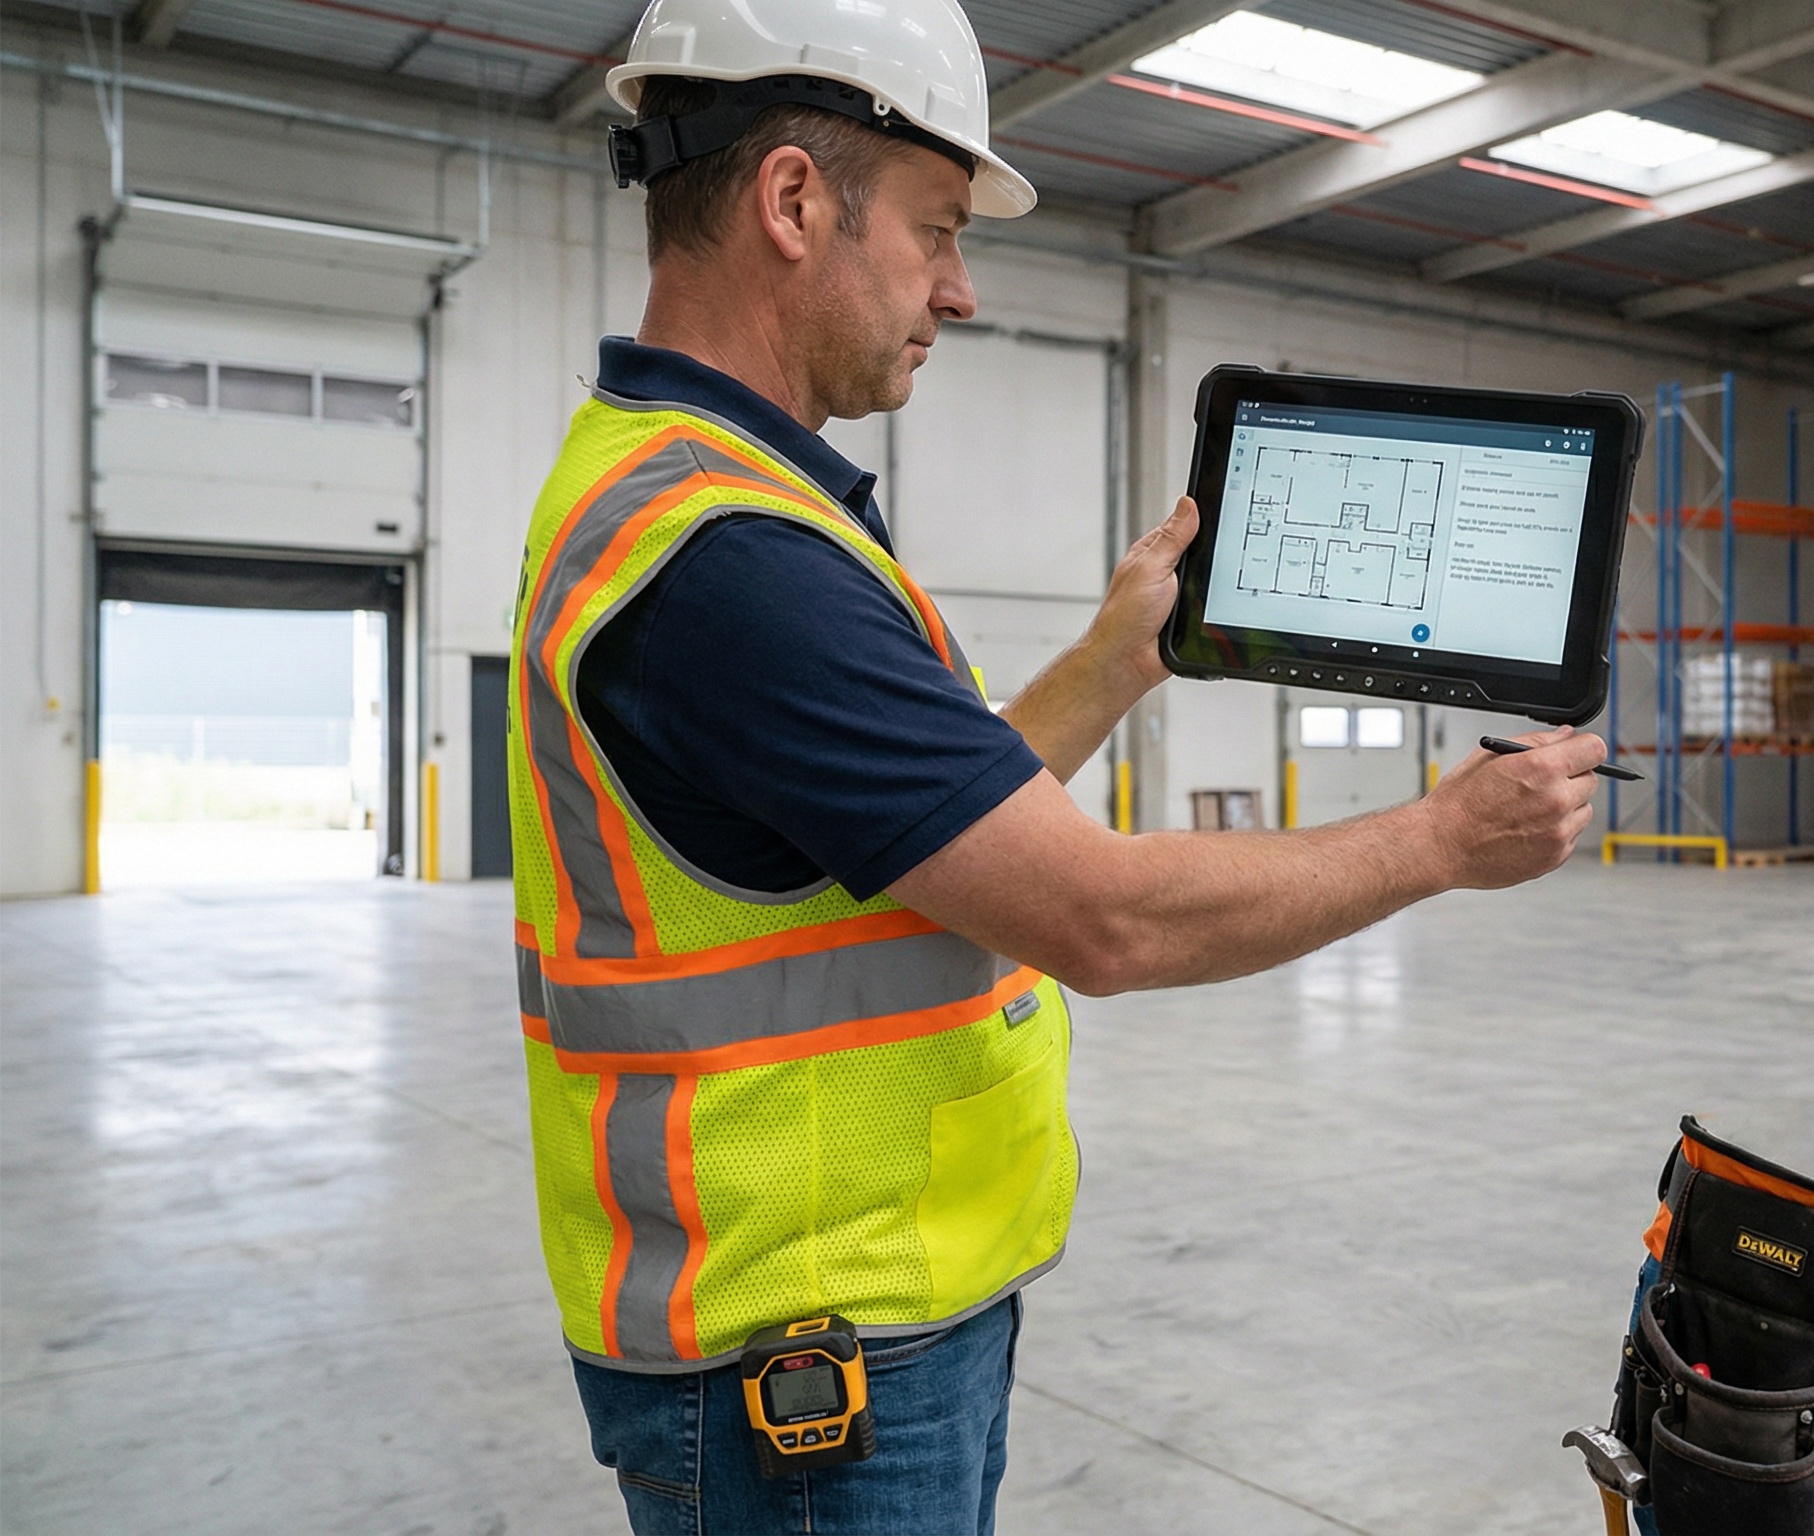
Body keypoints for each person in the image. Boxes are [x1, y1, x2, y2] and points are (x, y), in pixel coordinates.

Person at [507, 2, 1606, 1530]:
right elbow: (1104, 917)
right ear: (793, 201)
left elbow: (927, 846)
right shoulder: (731, 564)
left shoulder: (696, 496)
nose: (958, 290)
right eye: (939, 229)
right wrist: (1440, 840)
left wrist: (1111, 663)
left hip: (851, 1333)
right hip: (809, 1371)